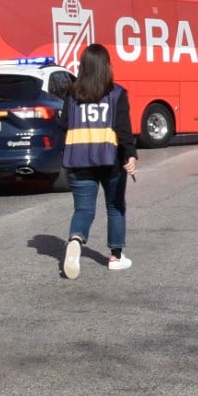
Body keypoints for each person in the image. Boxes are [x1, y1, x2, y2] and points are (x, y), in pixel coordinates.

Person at [60, 44, 139, 279]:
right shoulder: (116, 94)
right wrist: (131, 155)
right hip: (111, 161)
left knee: (83, 209)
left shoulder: (72, 94)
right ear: (107, 66)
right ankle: (115, 256)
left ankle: (75, 240)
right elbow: (123, 129)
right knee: (115, 207)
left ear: (83, 67)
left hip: (78, 160)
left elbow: (63, 124)